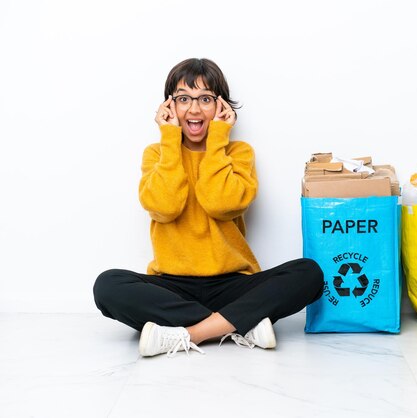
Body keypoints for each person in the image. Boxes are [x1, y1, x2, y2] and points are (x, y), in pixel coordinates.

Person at [93, 58, 324, 358]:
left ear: (221, 108)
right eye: (183, 99)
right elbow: (164, 207)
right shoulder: (157, 154)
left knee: (309, 273)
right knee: (107, 285)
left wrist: (217, 140)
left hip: (233, 283)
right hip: (171, 285)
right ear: (169, 107)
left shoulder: (238, 153)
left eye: (205, 99)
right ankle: (238, 323)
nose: (193, 109)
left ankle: (190, 334)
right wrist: (169, 140)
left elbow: (221, 205)